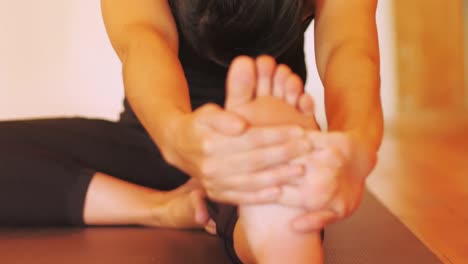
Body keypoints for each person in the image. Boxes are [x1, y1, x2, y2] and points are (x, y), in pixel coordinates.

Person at [0, 0, 383, 263]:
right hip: (156, 135)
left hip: (261, 132)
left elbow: (348, 47)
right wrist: (177, 135)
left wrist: (355, 146)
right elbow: (143, 40)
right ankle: (164, 207)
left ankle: (273, 210)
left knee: (266, 165)